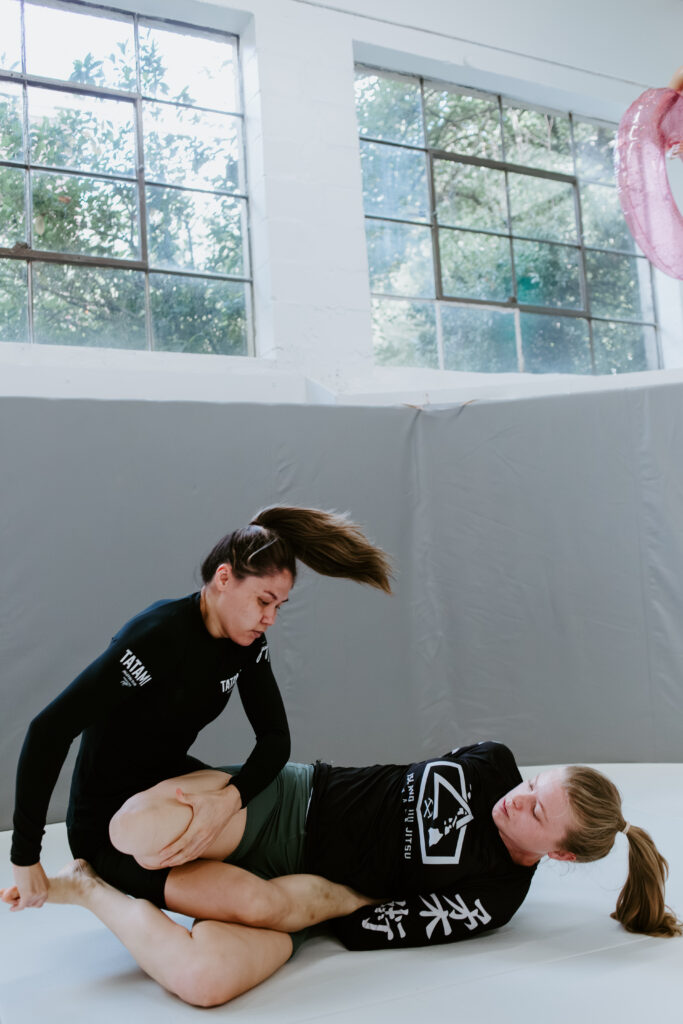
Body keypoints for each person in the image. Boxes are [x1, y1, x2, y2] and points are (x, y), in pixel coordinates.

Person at [4, 741, 679, 1007]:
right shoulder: (490, 762)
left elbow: (383, 926)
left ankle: (91, 888)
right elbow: (387, 792)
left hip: (316, 892)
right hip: (290, 804)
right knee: (139, 829)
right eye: (535, 783)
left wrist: (286, 906)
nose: (516, 797)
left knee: (204, 982)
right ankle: (138, 865)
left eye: (535, 810)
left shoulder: (496, 896)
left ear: (558, 854)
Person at [9, 505, 393, 916]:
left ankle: (380, 881)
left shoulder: (246, 646)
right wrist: (25, 855)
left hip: (173, 790)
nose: (270, 618)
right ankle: (84, 881)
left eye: (279, 606)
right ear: (224, 578)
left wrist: (230, 801)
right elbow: (50, 729)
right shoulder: (156, 637)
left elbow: (275, 739)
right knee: (250, 905)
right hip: (108, 825)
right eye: (264, 601)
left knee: (274, 872)